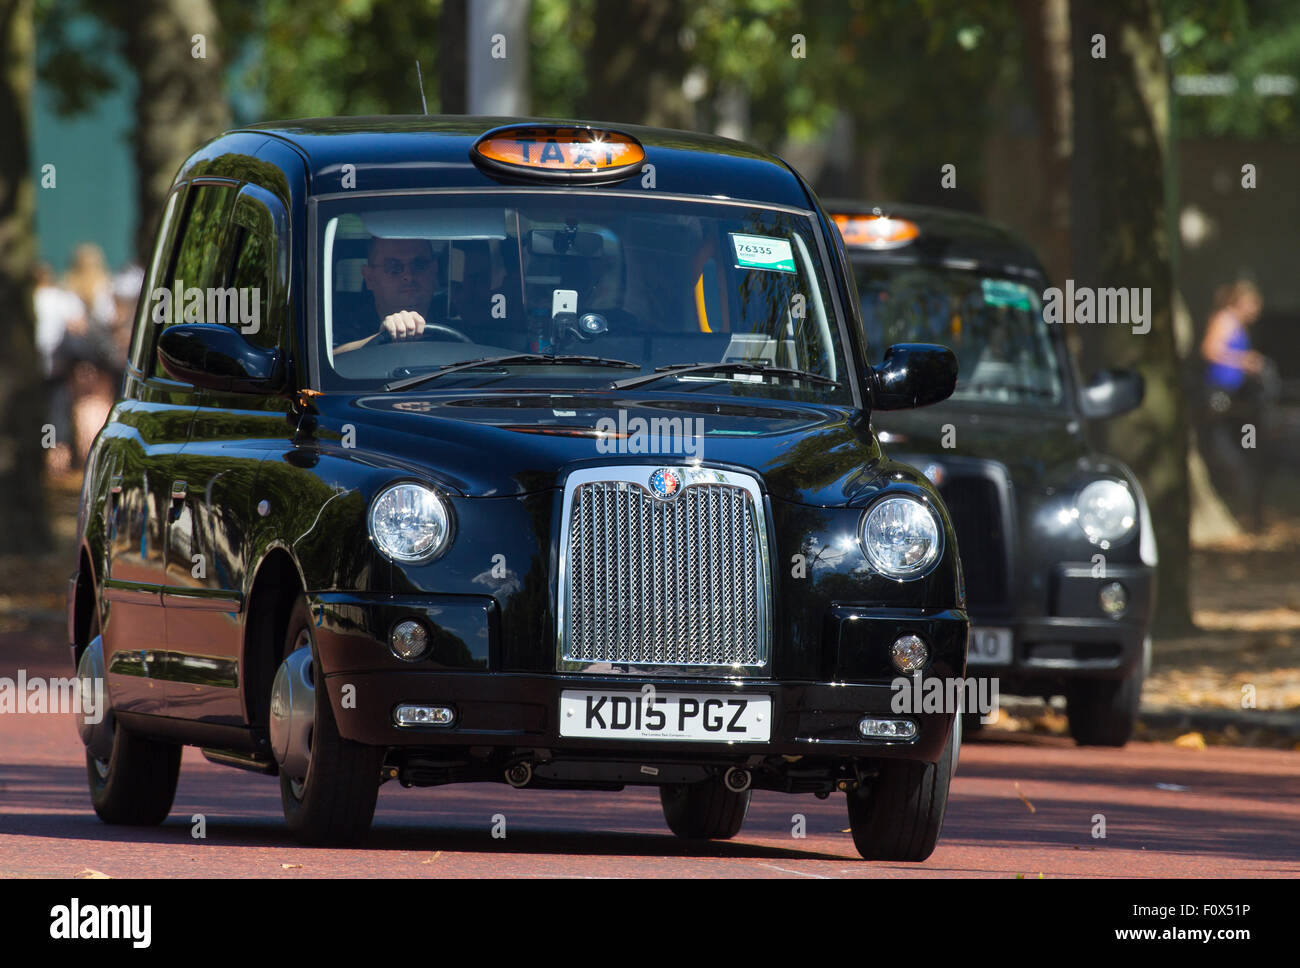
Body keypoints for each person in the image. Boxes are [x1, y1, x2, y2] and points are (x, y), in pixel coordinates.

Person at [1200, 280, 1272, 531]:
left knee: (1243, 448)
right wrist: (1244, 360)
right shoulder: (1225, 320)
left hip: (1234, 396)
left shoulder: (1237, 324)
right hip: (1219, 395)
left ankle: (1246, 508)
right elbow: (1209, 350)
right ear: (1239, 302)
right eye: (1253, 303)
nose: (1257, 309)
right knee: (1226, 449)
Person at [333, 238, 442, 355]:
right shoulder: (341, 324)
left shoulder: (456, 323)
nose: (409, 276)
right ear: (370, 278)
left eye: (419, 265)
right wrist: (382, 337)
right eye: (393, 267)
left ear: (434, 271)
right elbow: (324, 359)